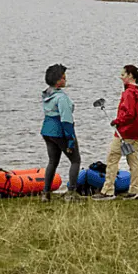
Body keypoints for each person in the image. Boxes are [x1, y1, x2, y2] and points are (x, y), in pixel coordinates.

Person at [93, 65, 138, 201]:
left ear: (130, 76)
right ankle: (134, 190)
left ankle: (108, 191)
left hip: (125, 132)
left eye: (123, 74)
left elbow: (129, 114)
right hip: (136, 132)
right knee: (133, 160)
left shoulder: (129, 92)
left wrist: (117, 121)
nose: (121, 77)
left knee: (112, 158)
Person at [41, 64, 81, 202]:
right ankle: (71, 193)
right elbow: (66, 120)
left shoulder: (46, 95)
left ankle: (45, 193)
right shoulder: (61, 98)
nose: (66, 79)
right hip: (60, 132)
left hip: (47, 131)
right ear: (58, 81)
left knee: (53, 161)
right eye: (63, 78)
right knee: (75, 160)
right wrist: (70, 139)